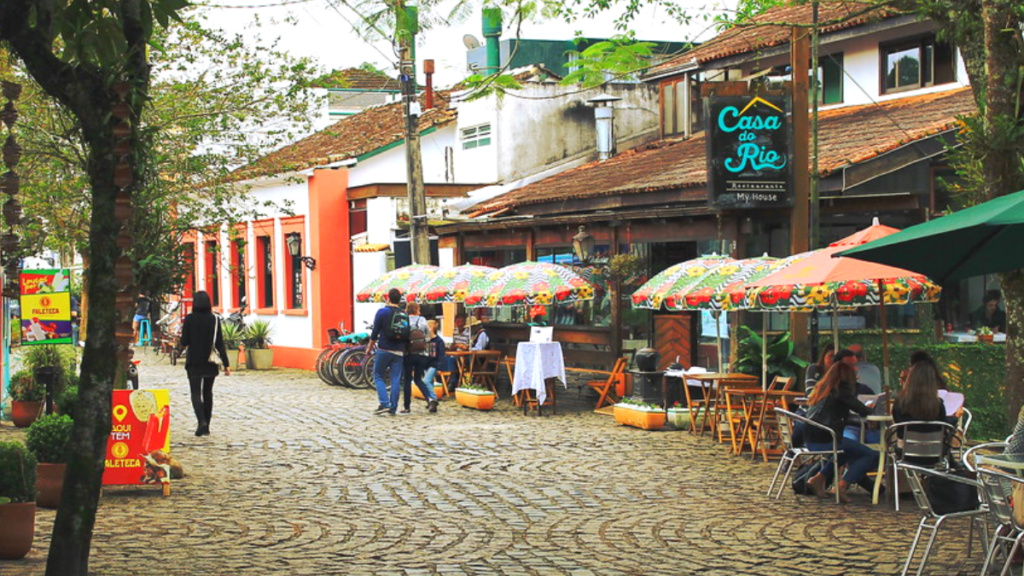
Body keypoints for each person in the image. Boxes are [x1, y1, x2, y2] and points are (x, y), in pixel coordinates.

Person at [803, 362, 877, 503]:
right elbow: (862, 409)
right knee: (870, 454)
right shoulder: (840, 390)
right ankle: (842, 486)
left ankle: (818, 479)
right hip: (826, 439)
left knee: (847, 451)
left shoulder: (823, 388)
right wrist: (871, 408)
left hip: (811, 438)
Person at [179, 291, 230, 436]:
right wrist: (227, 364)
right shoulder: (214, 320)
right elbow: (220, 343)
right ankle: (207, 425)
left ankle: (201, 421)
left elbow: (184, 341)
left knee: (195, 393)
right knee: (208, 393)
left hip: (194, 360)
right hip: (210, 361)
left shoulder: (189, 319)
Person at [368, 287, 406, 415]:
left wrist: (369, 347)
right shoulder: (403, 313)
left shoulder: (382, 312)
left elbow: (375, 332)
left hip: (384, 348)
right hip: (399, 351)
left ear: (388, 298)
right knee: (395, 378)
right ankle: (393, 407)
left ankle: (384, 403)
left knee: (378, 375)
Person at [400, 302, 438, 414]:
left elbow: (402, 336)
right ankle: (430, 399)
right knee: (418, 379)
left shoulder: (404, 320)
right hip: (421, 354)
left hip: (408, 354)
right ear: (417, 309)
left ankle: (407, 407)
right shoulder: (422, 320)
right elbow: (428, 336)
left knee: (407, 380)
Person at [423, 320, 446, 393]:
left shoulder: (439, 341)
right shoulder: (426, 340)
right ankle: (430, 400)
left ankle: (433, 398)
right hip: (426, 364)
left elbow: (441, 355)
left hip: (434, 364)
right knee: (430, 382)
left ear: (431, 328)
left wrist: (440, 367)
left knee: (426, 381)